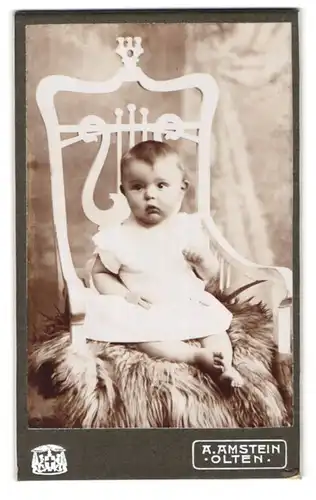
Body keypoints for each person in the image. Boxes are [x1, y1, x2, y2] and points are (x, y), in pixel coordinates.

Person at [84, 140, 243, 388]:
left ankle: (225, 366)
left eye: (161, 185)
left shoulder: (187, 229)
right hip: (145, 309)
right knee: (142, 337)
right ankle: (194, 356)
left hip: (187, 303)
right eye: (137, 187)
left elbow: (210, 274)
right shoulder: (119, 236)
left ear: (181, 188)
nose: (150, 194)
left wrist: (203, 260)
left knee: (214, 330)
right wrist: (125, 296)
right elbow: (100, 272)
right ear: (124, 191)